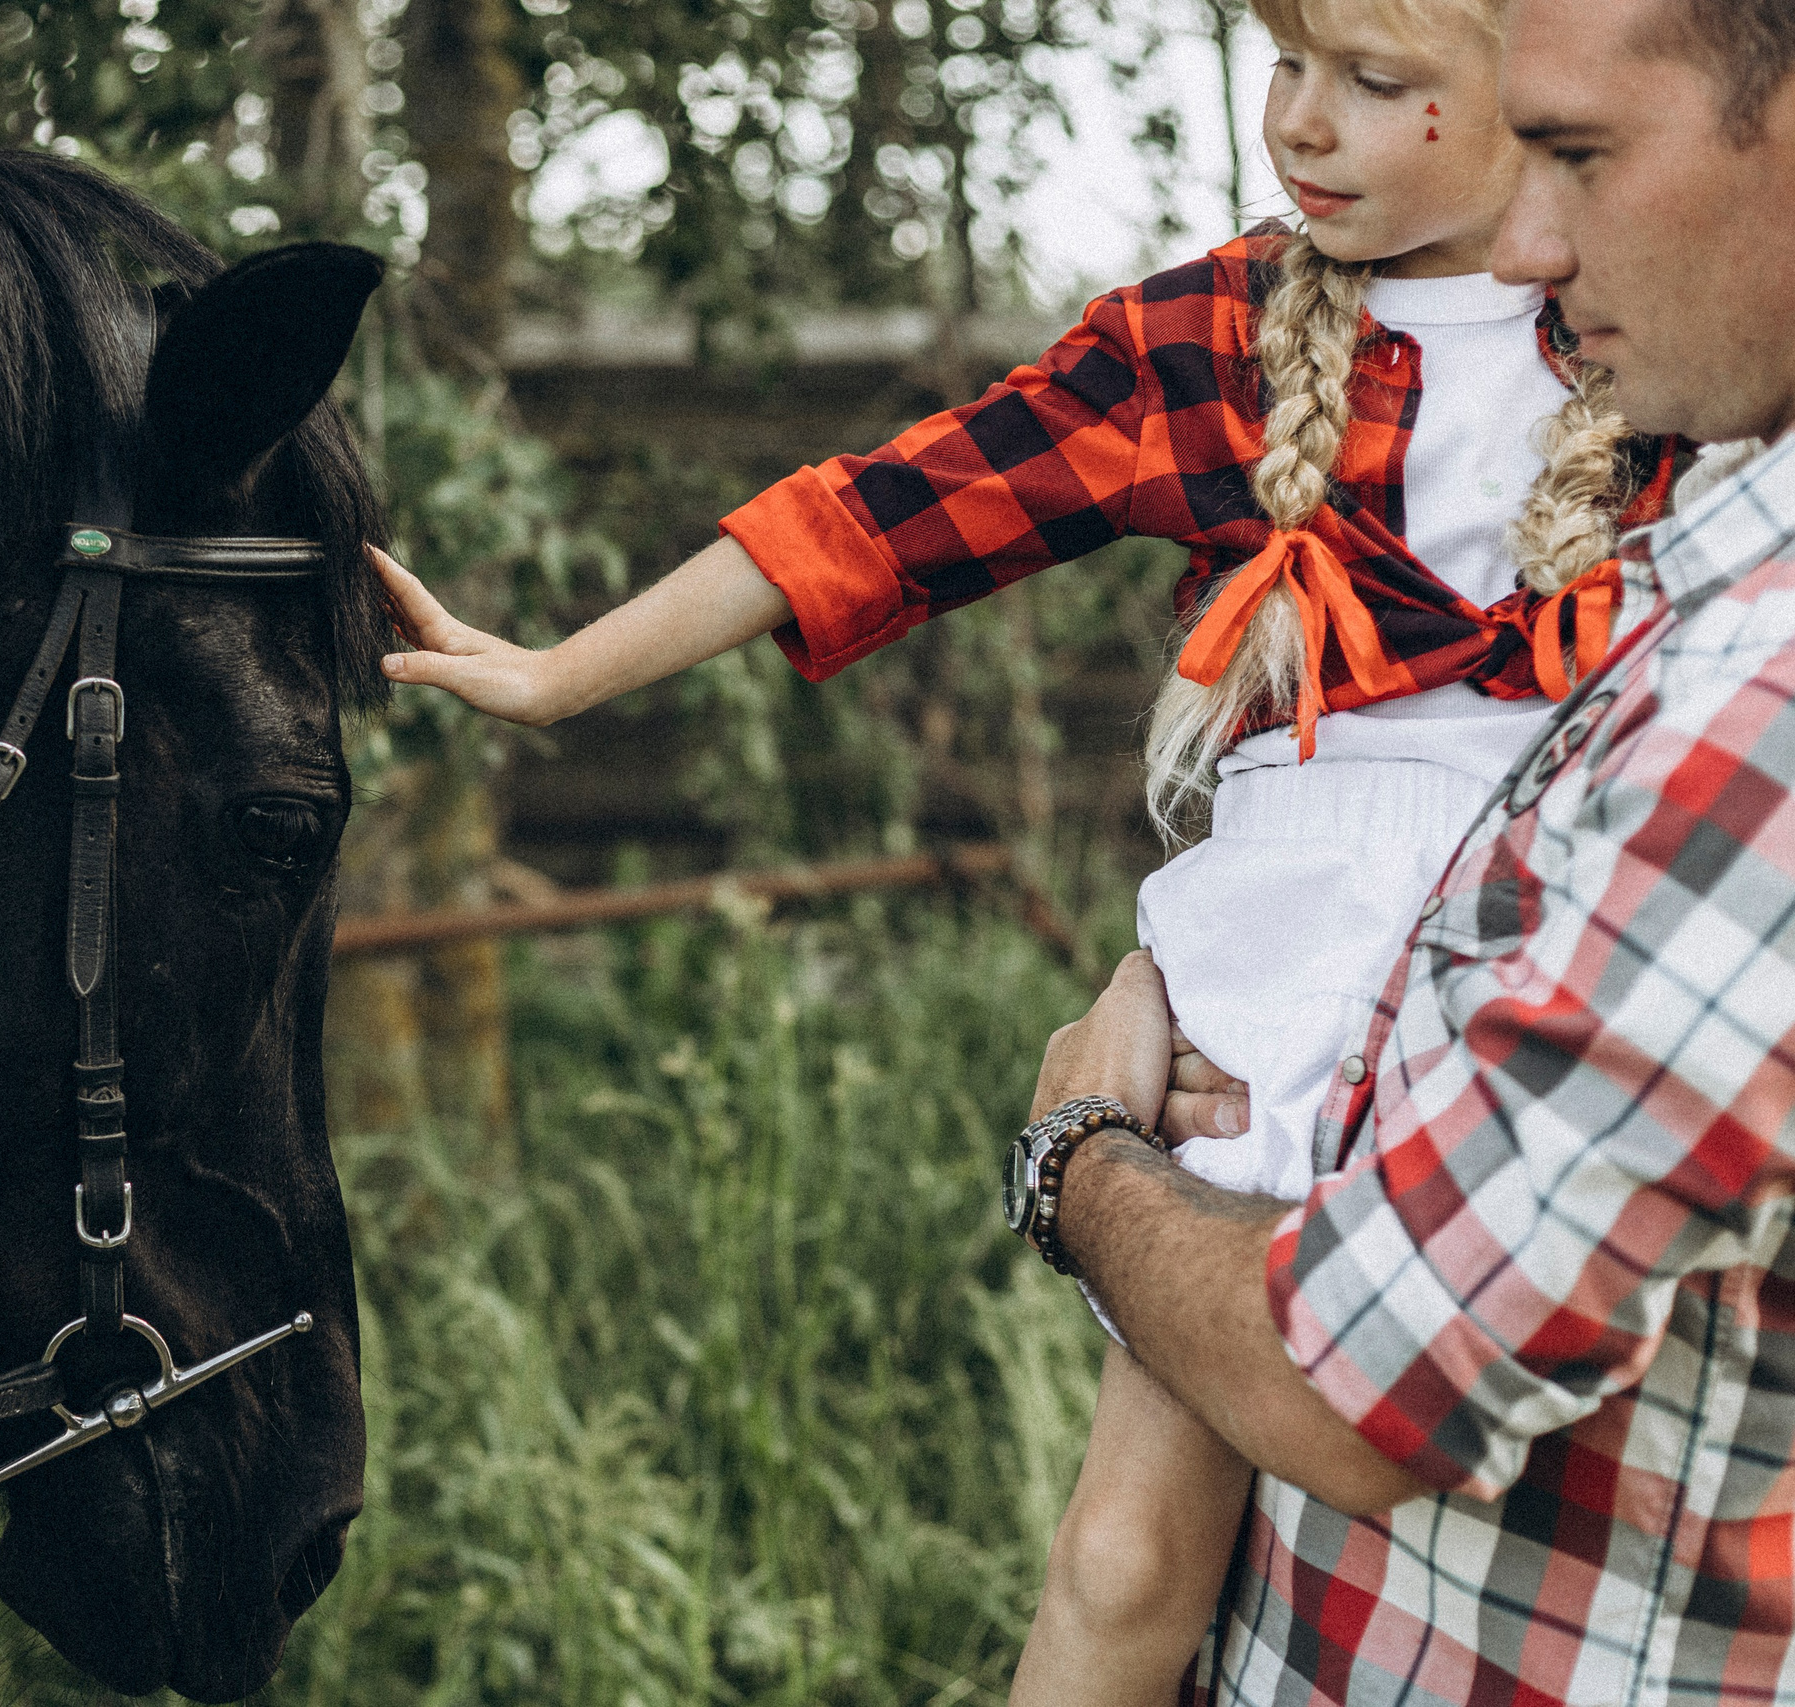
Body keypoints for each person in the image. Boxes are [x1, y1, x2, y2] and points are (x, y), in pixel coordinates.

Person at [375, 0, 1680, 1695]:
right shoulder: (1217, 339)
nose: (1299, 121)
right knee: (1126, 1557)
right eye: (1287, 63)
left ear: (1541, 81)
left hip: (1564, 930)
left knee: (1536, 1488)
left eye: (1374, 82)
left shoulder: (1674, 320)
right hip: (1284, 965)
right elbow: (893, 512)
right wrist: (561, 674)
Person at [1017, 0, 1795, 1698]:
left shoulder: (1762, 701)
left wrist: (1075, 1149)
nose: (1522, 249)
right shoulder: (1698, 587)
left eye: (1579, 155)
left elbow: (1362, 1388)